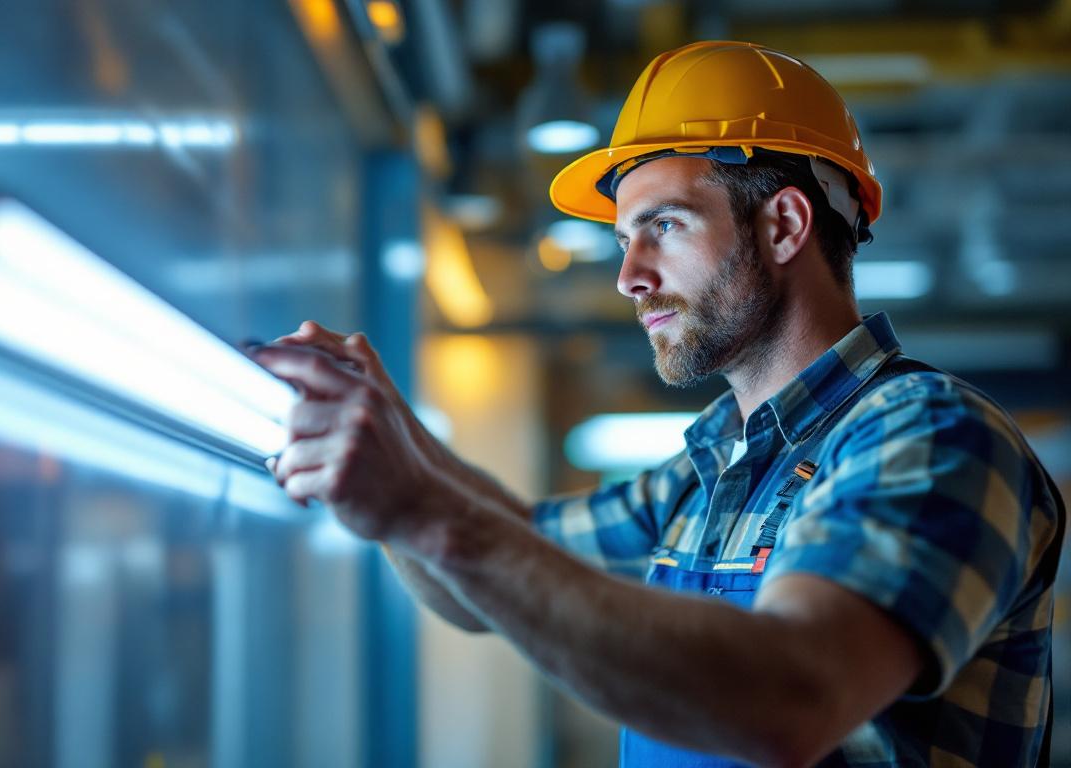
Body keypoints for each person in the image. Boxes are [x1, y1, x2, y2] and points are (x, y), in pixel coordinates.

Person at [248, 40, 1066, 767]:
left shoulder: (932, 437)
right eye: (622, 239)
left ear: (784, 225)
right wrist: (393, 445)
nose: (628, 276)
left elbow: (790, 697)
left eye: (663, 226)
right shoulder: (707, 472)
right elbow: (493, 573)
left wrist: (423, 505)